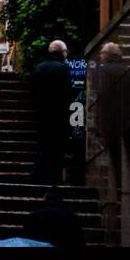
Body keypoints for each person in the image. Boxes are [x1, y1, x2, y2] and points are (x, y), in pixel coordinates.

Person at [30, 39, 74, 185]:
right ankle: (49, 177)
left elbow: (33, 92)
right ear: (62, 52)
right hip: (59, 115)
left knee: (44, 144)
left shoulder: (39, 67)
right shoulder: (64, 69)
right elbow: (68, 93)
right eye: (66, 51)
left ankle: (39, 175)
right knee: (56, 146)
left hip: (42, 113)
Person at [21, 189, 87, 248]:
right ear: (61, 200)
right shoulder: (72, 216)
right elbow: (79, 240)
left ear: (44, 199)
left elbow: (26, 239)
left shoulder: (34, 215)